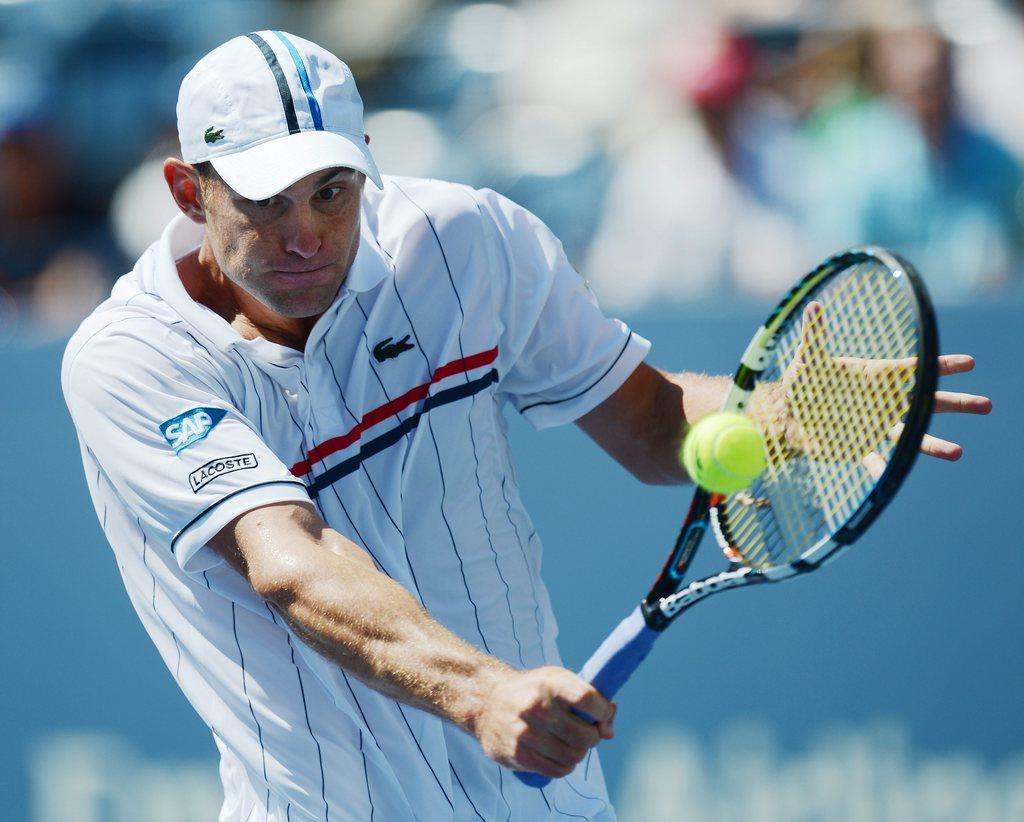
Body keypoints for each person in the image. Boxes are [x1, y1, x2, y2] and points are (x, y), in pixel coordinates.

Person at [61, 32, 991, 821]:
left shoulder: (472, 244)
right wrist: (484, 694)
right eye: (265, 202)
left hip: (543, 803)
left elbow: (648, 422)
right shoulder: (128, 360)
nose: (305, 235)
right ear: (188, 191)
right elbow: (292, 564)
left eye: (332, 193)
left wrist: (780, 415)